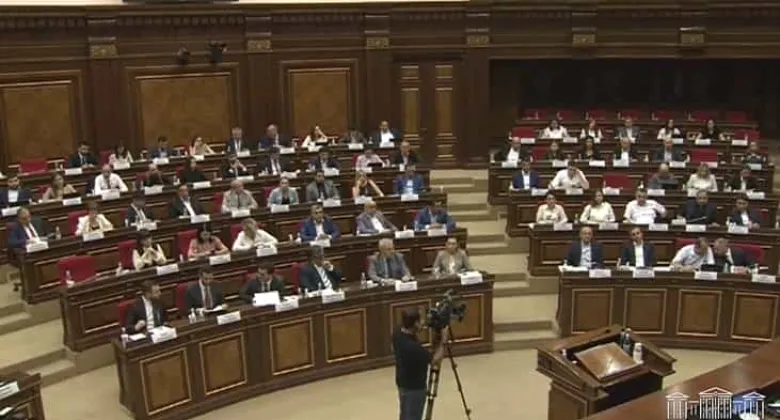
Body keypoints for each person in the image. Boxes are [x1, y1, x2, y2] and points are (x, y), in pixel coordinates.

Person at [392, 310, 448, 420]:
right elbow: (435, 360)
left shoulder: (397, 333)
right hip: (415, 389)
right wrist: (444, 341)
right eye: (420, 320)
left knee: (405, 415)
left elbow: (413, 331)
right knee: (413, 416)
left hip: (402, 383)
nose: (423, 322)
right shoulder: (413, 348)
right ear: (415, 323)